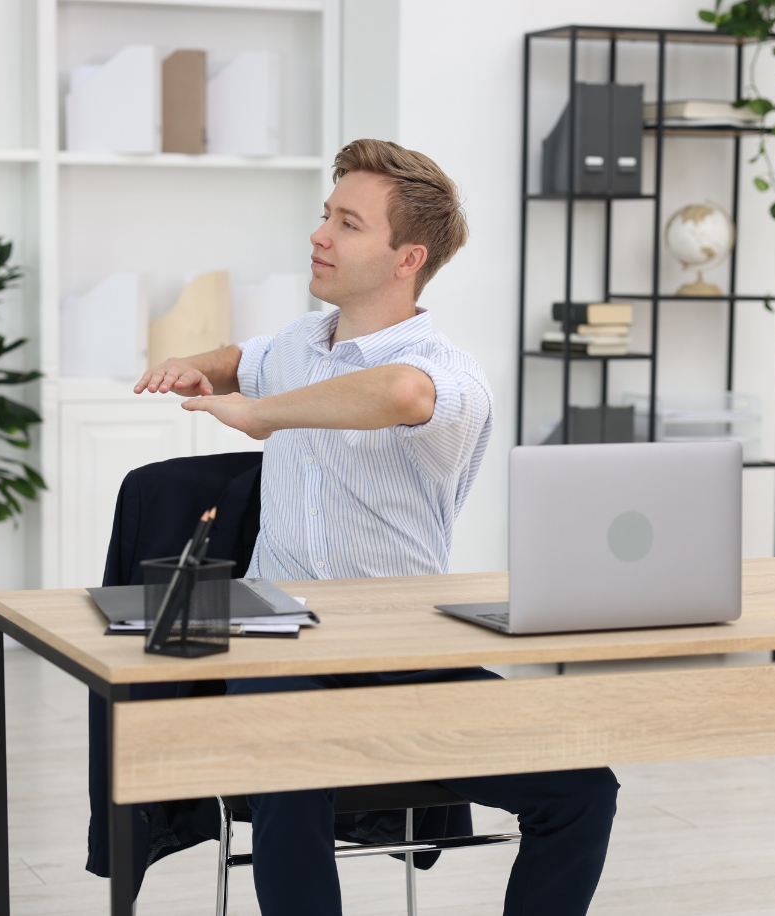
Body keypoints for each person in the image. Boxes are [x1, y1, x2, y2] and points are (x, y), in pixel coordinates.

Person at [133, 139, 618, 916]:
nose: (319, 234)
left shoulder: (449, 373)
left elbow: (397, 393)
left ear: (407, 258)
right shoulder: (297, 343)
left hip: (404, 656)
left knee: (583, 790)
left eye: (348, 224)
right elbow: (243, 355)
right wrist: (198, 364)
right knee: (293, 767)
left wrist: (261, 414)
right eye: (326, 215)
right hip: (277, 643)